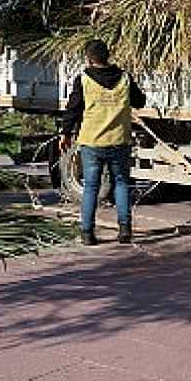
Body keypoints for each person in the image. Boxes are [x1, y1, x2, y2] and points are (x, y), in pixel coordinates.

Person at [59, 40, 146, 245]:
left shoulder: (83, 80)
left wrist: (65, 133)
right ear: (108, 57)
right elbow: (140, 101)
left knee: (91, 187)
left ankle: (87, 233)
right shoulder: (125, 78)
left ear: (89, 59)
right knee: (122, 183)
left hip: (92, 142)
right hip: (119, 140)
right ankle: (125, 230)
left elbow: (73, 108)